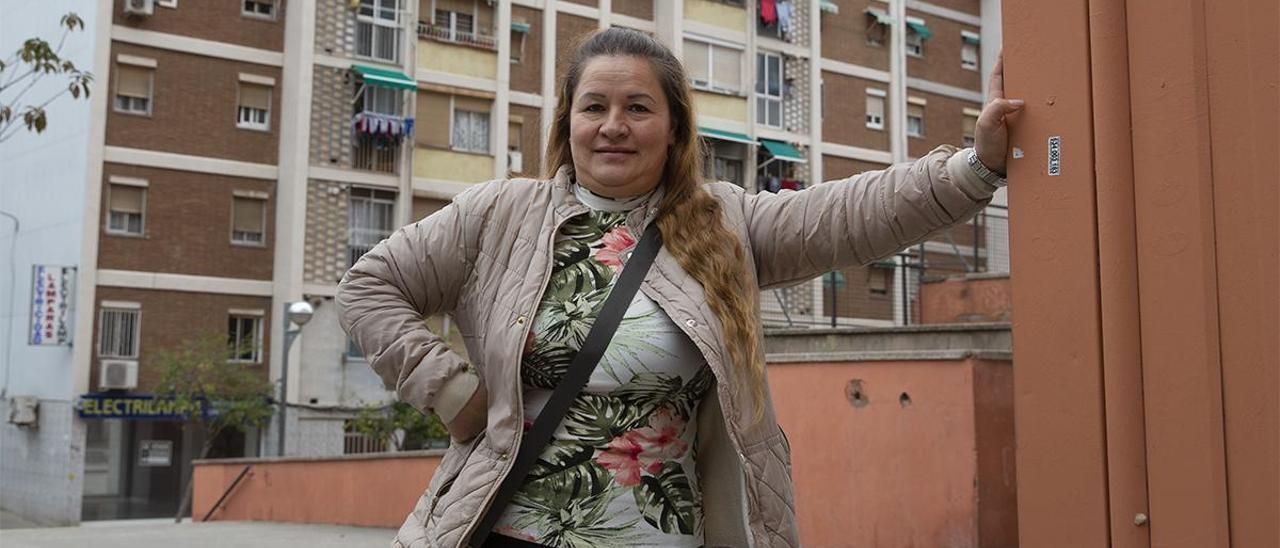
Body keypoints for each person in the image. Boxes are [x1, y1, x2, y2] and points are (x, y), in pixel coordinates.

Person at [338, 27, 1024, 548]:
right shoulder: (498, 216)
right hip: (509, 533)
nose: (613, 126)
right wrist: (451, 390)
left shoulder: (726, 223)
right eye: (594, 106)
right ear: (567, 123)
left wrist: (978, 164)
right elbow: (369, 286)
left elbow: (852, 214)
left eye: (637, 107)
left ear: (673, 130)